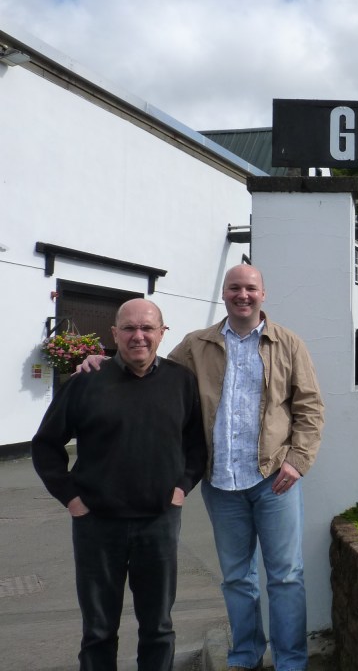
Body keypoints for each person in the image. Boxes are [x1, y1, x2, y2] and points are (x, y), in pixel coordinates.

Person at [80, 264, 324, 671]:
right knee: (236, 579)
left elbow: (310, 407)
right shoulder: (197, 344)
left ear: (263, 294)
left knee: (285, 576)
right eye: (234, 288)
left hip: (274, 480)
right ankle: (245, 656)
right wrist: (102, 361)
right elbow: (148, 372)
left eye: (249, 288)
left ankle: (290, 662)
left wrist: (298, 462)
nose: (241, 295)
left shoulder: (289, 344)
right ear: (225, 294)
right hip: (221, 482)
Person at [33, 298, 207, 671]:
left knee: (158, 627)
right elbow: (45, 446)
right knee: (98, 630)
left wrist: (182, 487)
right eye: (129, 328)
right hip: (97, 526)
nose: (138, 336)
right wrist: (72, 499)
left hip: (158, 524)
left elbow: (197, 446)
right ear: (114, 334)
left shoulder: (182, 382)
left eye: (147, 328)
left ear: (162, 333)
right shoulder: (85, 383)